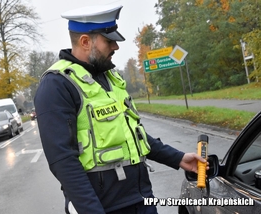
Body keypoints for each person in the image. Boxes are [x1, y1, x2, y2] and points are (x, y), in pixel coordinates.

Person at [34, 4, 207, 214]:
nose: (115, 47)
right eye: (109, 41)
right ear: (85, 42)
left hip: (141, 200)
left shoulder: (110, 78)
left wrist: (177, 158)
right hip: (104, 208)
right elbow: (62, 160)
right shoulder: (57, 84)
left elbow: (134, 136)